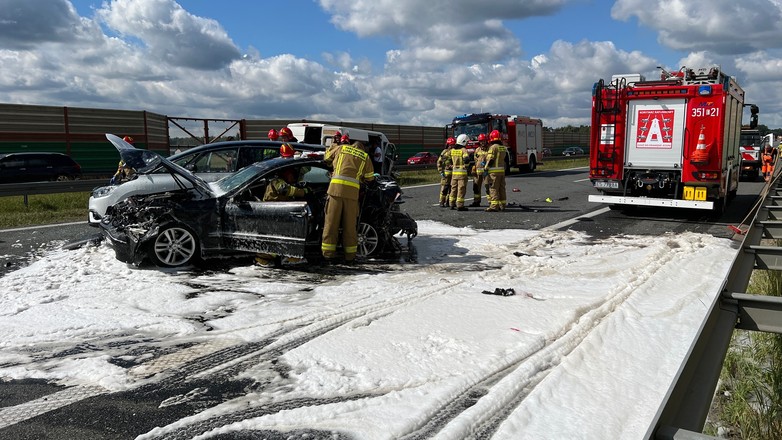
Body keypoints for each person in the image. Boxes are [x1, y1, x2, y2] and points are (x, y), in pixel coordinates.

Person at [321, 138, 376, 263]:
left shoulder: (342, 148)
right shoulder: (365, 156)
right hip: (352, 195)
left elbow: (326, 158)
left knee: (331, 224)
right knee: (350, 227)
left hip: (335, 191)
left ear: (352, 145)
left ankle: (328, 255)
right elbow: (370, 178)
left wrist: (334, 145)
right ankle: (350, 257)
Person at [254, 167, 310, 266]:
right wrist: (303, 191)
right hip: (273, 214)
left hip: (278, 213)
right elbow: (285, 190)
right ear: (285, 173)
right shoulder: (277, 182)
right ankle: (264, 259)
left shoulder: (282, 181)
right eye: (292, 174)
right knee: (278, 238)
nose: (294, 177)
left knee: (281, 238)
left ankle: (285, 257)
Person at [484, 129, 508, 212]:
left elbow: (491, 159)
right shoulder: (503, 147)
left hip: (493, 172)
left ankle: (494, 206)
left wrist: (486, 168)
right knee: (502, 189)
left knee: (493, 188)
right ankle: (503, 205)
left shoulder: (493, 147)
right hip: (501, 171)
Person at [448, 134, 470, 211]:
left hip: (454, 173)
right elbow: (466, 160)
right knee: (461, 189)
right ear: (463, 141)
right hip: (462, 174)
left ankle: (451, 204)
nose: (467, 143)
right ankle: (460, 205)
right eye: (466, 142)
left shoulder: (453, 150)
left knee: (453, 188)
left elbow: (448, 159)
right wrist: (467, 165)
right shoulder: (463, 150)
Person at [470, 133, 490, 207]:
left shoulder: (489, 149)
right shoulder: (477, 150)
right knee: (476, 187)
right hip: (478, 173)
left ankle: (491, 202)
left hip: (486, 172)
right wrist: (474, 169)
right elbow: (475, 160)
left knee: (488, 187)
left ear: (486, 141)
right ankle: (476, 201)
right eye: (481, 141)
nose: (482, 142)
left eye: (484, 141)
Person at [437, 137, 455, 207]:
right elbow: (439, 162)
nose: (452, 146)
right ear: (448, 144)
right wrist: (441, 171)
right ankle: (442, 202)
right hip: (446, 173)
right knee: (444, 188)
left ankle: (449, 202)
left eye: (453, 145)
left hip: (454, 173)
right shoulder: (444, 152)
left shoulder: (455, 151)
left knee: (452, 189)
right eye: (451, 145)